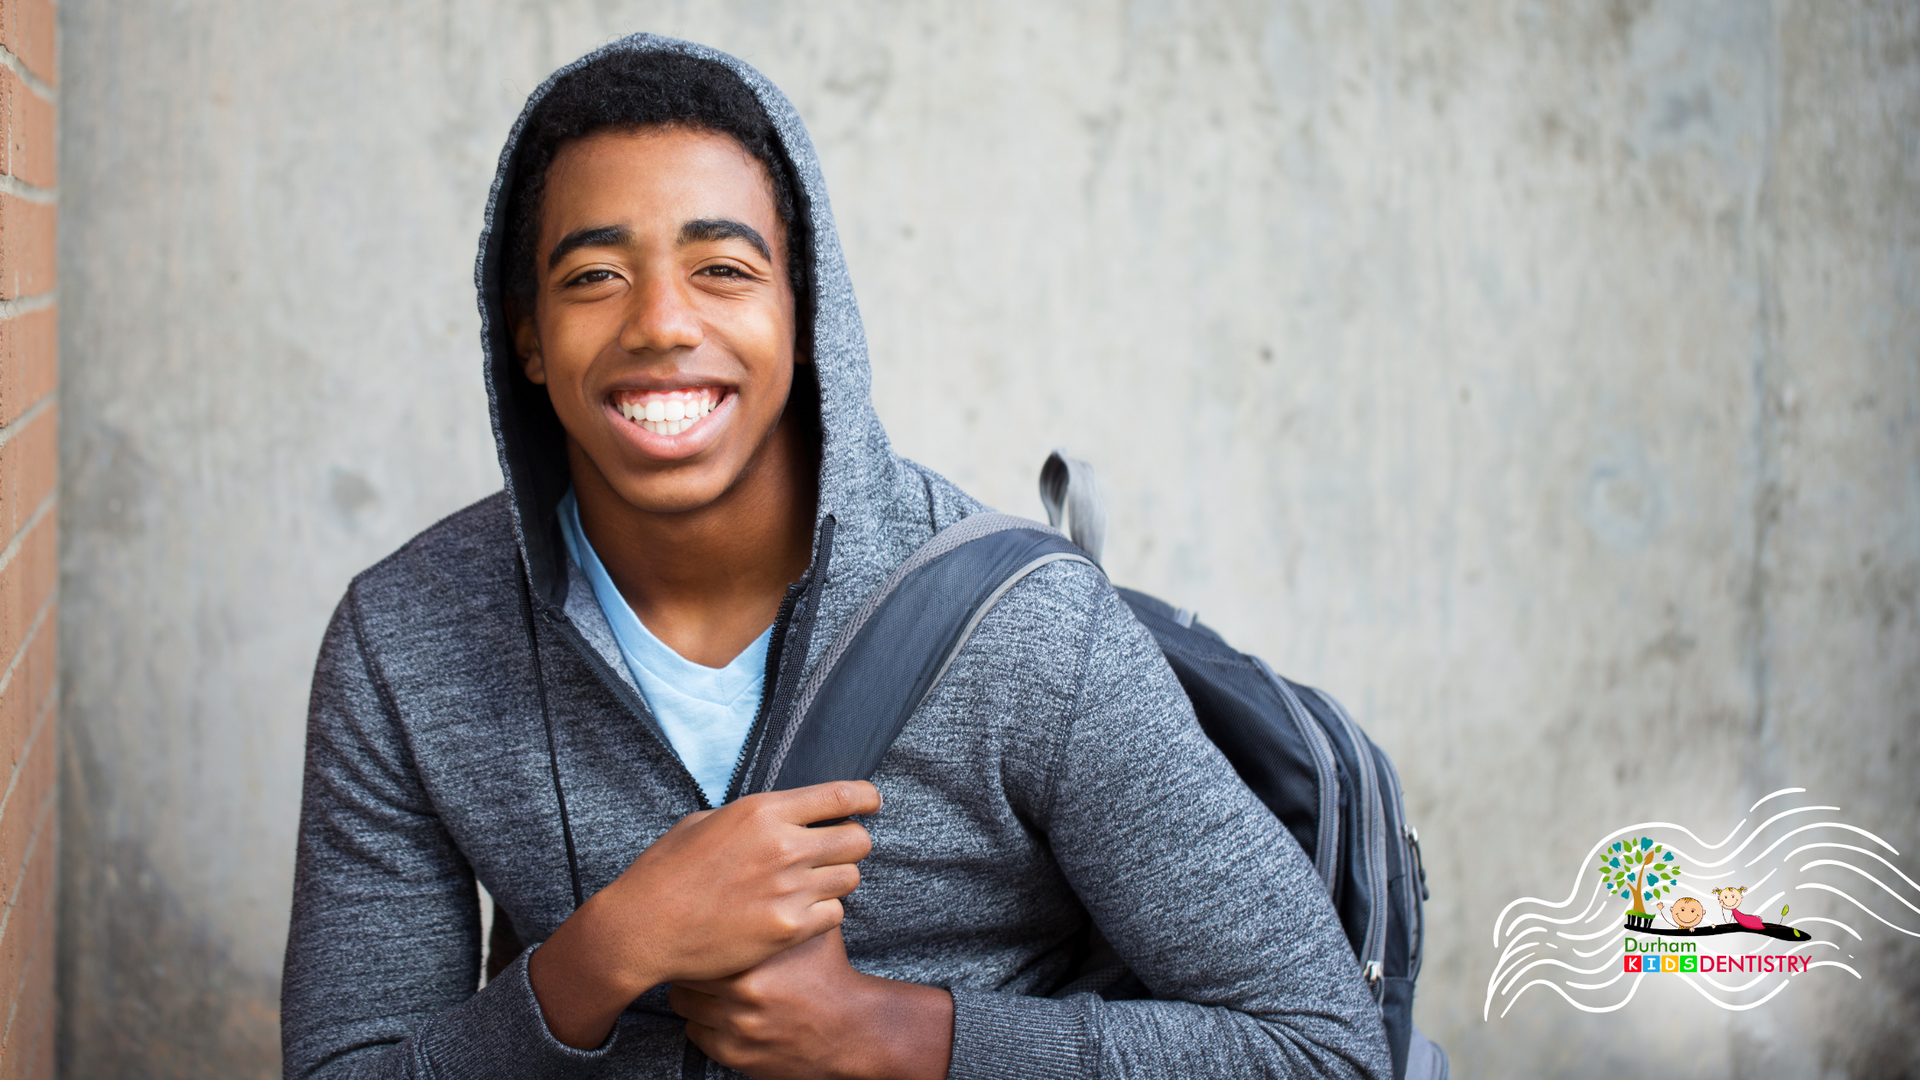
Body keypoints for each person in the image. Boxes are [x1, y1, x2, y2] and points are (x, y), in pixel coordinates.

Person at [281, 34, 1390, 1080]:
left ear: (806, 312)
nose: (662, 322)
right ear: (525, 335)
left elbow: (1323, 1049)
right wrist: (600, 955)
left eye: (722, 267)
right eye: (592, 278)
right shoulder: (406, 643)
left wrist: (901, 1034)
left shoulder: (1029, 635)